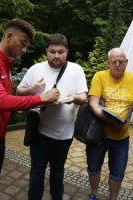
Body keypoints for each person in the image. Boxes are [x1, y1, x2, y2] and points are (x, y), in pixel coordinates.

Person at [0, 18, 60, 200]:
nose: (24, 49)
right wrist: (41, 99)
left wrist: (16, 107)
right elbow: (1, 101)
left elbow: (2, 99)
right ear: (8, 36)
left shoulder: (5, 64)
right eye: (23, 43)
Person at [17, 33, 88, 200]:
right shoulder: (36, 69)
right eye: (52, 51)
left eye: (61, 52)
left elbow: (83, 98)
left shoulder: (76, 70)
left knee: (57, 171)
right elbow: (19, 91)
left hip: (65, 134)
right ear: (46, 51)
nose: (56, 56)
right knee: (37, 171)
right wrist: (33, 89)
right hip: (40, 132)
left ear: (67, 51)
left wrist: (73, 98)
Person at [86, 48, 133, 200]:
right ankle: (94, 194)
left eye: (121, 62)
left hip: (122, 138)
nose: (117, 65)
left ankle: (113, 198)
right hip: (99, 134)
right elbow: (93, 104)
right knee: (94, 168)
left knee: (117, 173)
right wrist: (112, 121)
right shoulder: (100, 76)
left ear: (126, 62)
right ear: (108, 63)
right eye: (113, 62)